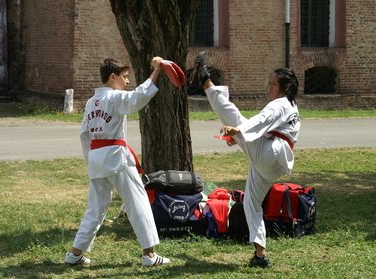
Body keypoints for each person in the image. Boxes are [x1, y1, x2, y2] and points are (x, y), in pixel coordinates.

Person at [191, 52, 300, 268]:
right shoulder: (291, 106)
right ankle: (260, 255)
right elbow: (269, 128)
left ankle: (205, 80)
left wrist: (238, 130)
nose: (269, 88)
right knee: (251, 203)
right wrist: (240, 137)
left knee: (235, 116)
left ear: (285, 87)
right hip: (274, 163)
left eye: (273, 84)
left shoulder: (280, 104)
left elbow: (262, 120)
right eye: (269, 83)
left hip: (271, 154)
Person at [65, 57, 171, 267]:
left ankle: (75, 254)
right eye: (124, 77)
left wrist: (91, 161)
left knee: (95, 208)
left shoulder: (90, 102)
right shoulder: (114, 97)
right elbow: (138, 98)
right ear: (112, 77)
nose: (127, 81)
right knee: (137, 202)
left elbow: (84, 135)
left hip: (96, 157)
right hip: (115, 156)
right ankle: (149, 255)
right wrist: (156, 71)